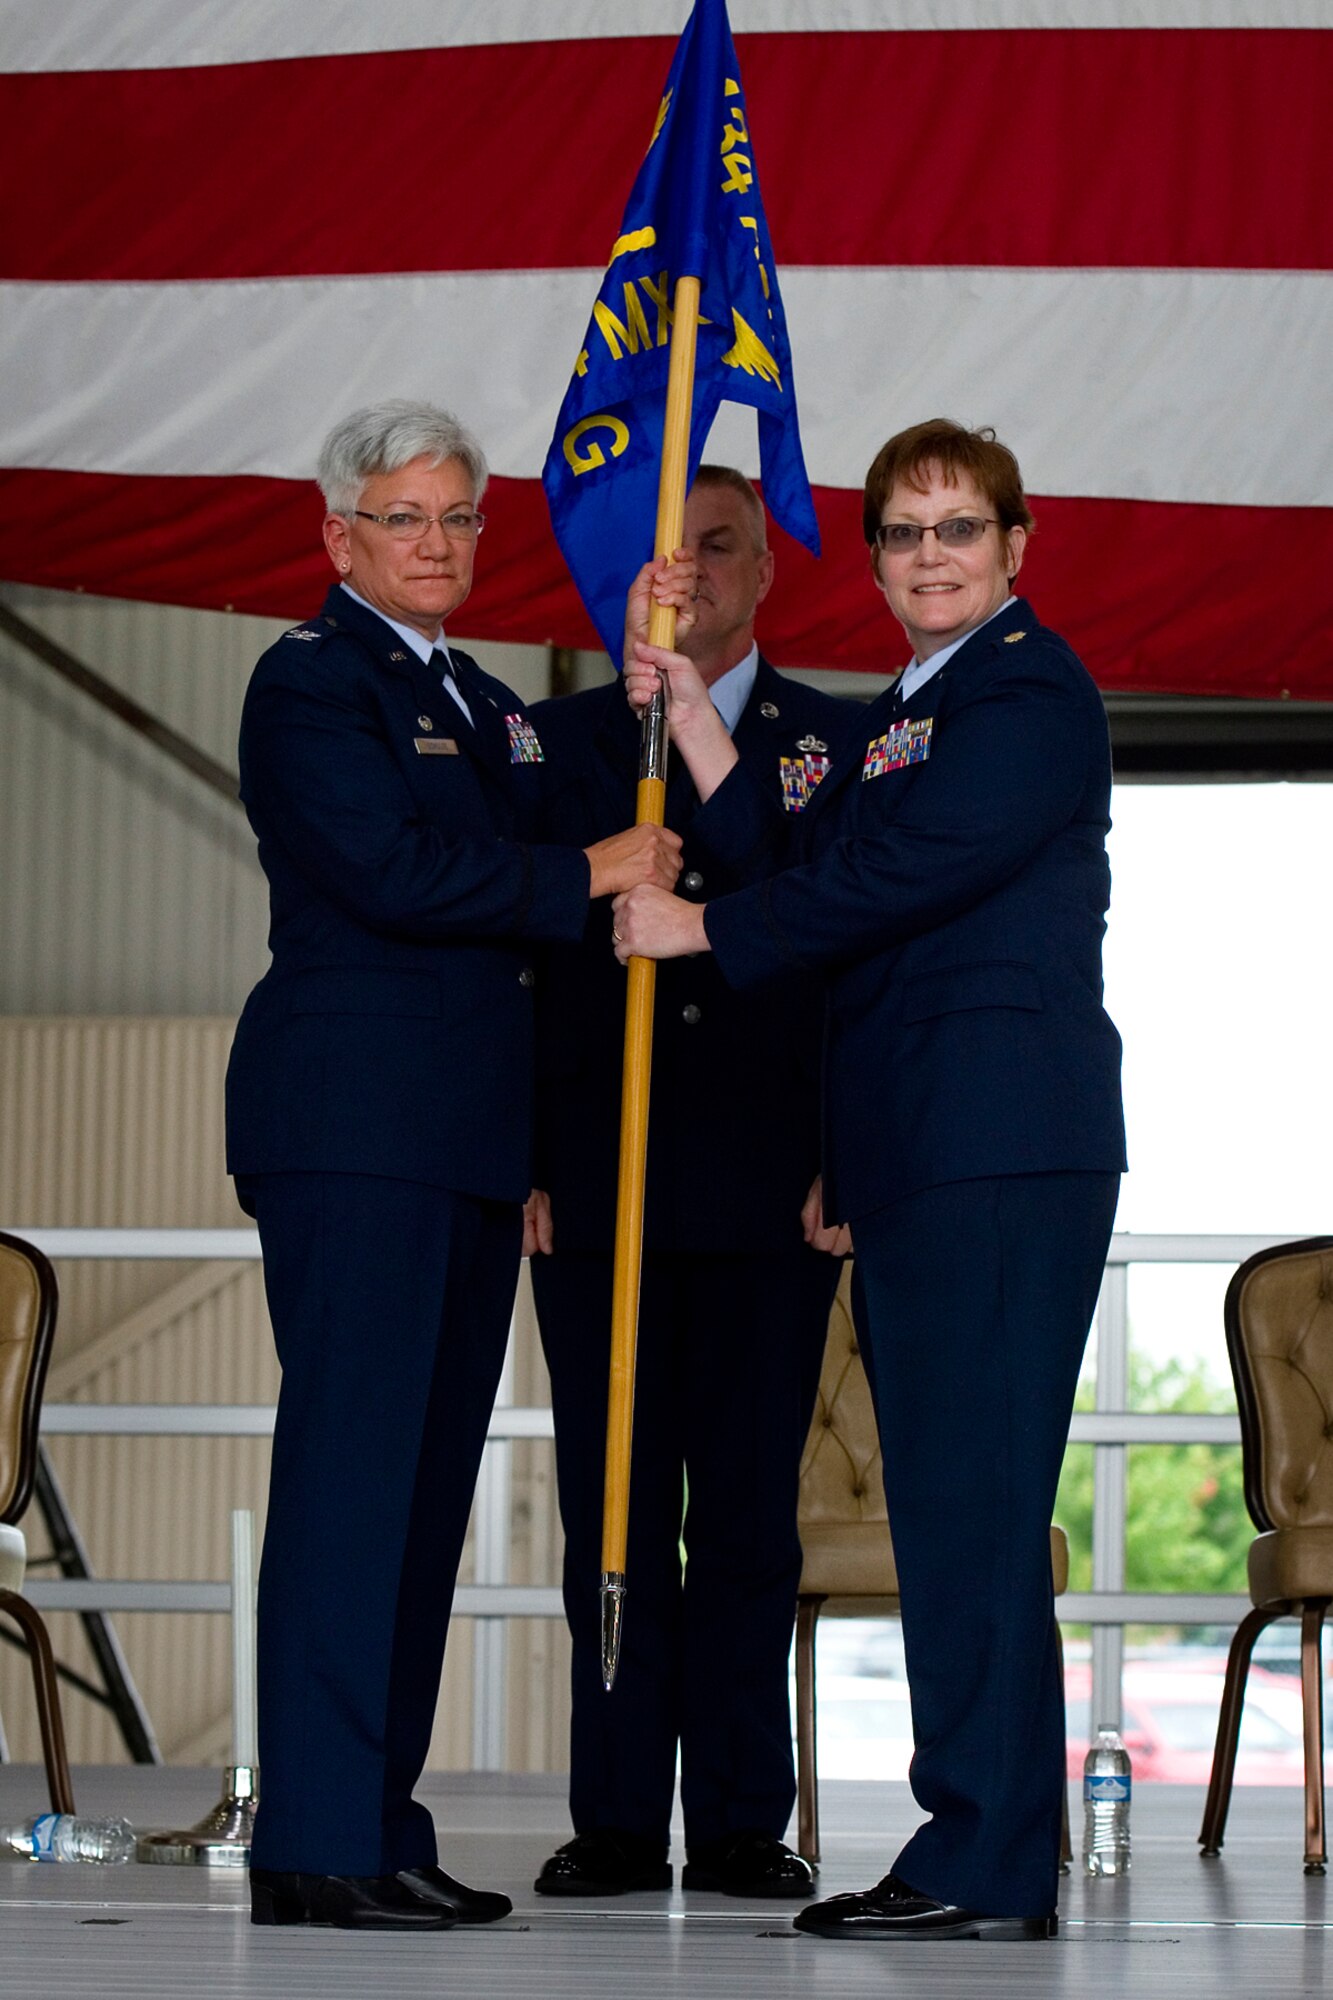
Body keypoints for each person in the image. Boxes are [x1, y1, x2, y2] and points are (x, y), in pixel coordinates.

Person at [612, 419, 1127, 1940]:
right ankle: (972, 1843)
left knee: (968, 1508)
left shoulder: (1026, 689)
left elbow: (901, 877)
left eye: (955, 530)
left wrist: (702, 935)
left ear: (1014, 547)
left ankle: (976, 1861)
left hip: (992, 1139)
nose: (925, 558)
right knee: (945, 1505)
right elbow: (808, 839)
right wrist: (696, 719)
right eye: (900, 534)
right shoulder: (917, 705)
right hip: (920, 1147)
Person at [224, 400, 680, 1932]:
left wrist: (642, 677)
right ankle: (312, 1838)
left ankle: (370, 1820)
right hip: (357, 1131)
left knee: (419, 1499)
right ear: (339, 536)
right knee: (355, 1484)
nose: (434, 543)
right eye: (404, 518)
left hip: (467, 1147)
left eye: (456, 520)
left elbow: (575, 787)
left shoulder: (479, 698)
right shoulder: (308, 686)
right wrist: (582, 878)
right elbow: (392, 872)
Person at [526, 469, 856, 1900]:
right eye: (666, 554)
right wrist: (523, 1158)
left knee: (741, 1517)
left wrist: (846, 1144)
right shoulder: (546, 746)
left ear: (764, 571)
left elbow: (848, 962)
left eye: (721, 548)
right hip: (595, 1192)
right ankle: (611, 1817)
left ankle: (734, 1819)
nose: (692, 574)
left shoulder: (830, 748)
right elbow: (511, 975)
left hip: (768, 1188)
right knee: (605, 1506)